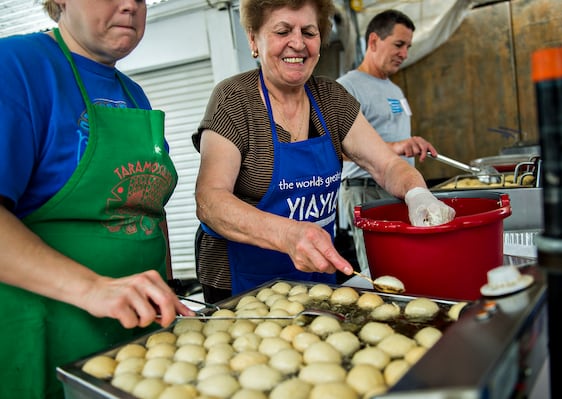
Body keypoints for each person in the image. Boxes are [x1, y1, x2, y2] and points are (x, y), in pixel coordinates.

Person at [192, 0, 456, 304]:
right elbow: (210, 200)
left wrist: (417, 194)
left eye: (309, 32)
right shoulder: (234, 99)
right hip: (243, 284)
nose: (297, 43)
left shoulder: (331, 99)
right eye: (282, 31)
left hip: (315, 275)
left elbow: (386, 165)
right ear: (254, 39)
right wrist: (288, 235)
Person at [0, 1, 195, 397]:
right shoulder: (17, 68)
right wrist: (92, 288)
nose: (129, 5)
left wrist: (168, 285)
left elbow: (148, 211)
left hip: (138, 340)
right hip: (50, 340)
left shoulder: (133, 93)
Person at [337, 9, 439, 273]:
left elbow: (395, 137)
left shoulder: (395, 90)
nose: (405, 53)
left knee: (409, 264)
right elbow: (334, 148)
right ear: (373, 42)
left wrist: (408, 147)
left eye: (408, 46)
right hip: (366, 189)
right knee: (382, 270)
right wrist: (394, 149)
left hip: (398, 189)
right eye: (398, 44)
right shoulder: (348, 87)